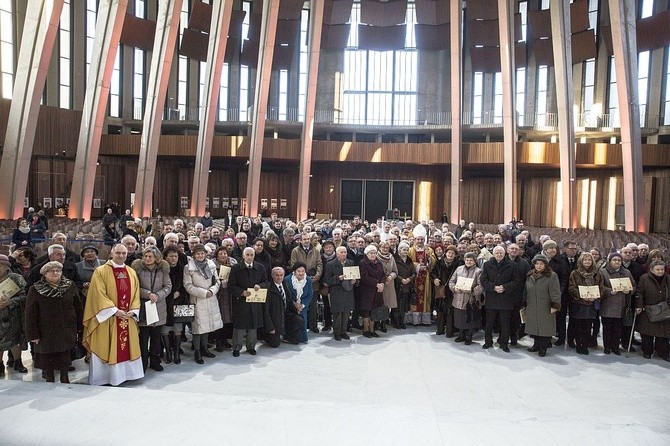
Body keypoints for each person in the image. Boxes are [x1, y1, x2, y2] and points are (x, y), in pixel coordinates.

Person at [83, 243, 144, 386]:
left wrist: (133, 311)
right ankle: (105, 377)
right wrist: (115, 311)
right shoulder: (101, 271)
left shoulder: (131, 271)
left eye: (124, 253)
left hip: (127, 317)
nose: (121, 256)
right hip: (107, 319)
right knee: (106, 345)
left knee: (126, 346)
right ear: (111, 253)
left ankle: (126, 375)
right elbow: (98, 294)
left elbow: (136, 294)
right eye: (118, 253)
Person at [24, 261, 82, 383]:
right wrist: (33, 334)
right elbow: (30, 314)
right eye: (51, 271)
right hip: (46, 330)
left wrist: (80, 327)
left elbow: (78, 307)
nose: (55, 273)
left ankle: (65, 377)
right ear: (44, 274)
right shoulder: (35, 289)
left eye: (58, 270)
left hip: (67, 328)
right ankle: (49, 378)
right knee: (48, 357)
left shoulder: (69, 285)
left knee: (65, 356)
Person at [132, 246, 171, 372]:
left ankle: (155, 361)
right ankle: (142, 363)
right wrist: (148, 294)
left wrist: (158, 295)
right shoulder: (138, 270)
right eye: (146, 256)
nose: (147, 259)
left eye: (150, 256)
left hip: (158, 306)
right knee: (143, 339)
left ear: (156, 258)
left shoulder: (162, 270)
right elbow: (135, 287)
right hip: (144, 307)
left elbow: (168, 286)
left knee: (156, 338)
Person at [183, 244, 222, 364]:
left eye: (202, 253)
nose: (200, 255)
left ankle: (205, 348)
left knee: (208, 325)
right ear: (193, 255)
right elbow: (188, 285)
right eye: (198, 253)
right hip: (198, 299)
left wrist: (212, 291)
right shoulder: (188, 267)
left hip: (211, 298)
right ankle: (197, 351)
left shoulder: (211, 264)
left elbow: (217, 281)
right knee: (197, 327)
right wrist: (204, 293)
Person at [228, 247, 267, 356]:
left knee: (253, 325)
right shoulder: (235, 268)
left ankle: (251, 346)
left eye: (252, 255)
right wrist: (242, 292)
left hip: (255, 301)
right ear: (243, 256)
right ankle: (236, 347)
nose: (249, 257)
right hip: (240, 301)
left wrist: (260, 286)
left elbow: (266, 282)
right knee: (239, 326)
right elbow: (231, 286)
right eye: (247, 255)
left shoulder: (260, 267)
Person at [481, 245, 520, 352]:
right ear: (493, 254)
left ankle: (504, 343)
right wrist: (493, 287)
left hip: (505, 298)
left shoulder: (512, 265)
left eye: (501, 253)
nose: (499, 255)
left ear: (504, 254)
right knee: (489, 323)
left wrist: (505, 287)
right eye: (497, 253)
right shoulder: (487, 264)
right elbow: (483, 280)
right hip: (492, 297)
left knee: (505, 323)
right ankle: (488, 342)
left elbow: (516, 281)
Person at [522, 254, 561, 357]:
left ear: (545, 265)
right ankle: (536, 345)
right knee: (534, 327)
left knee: (545, 328)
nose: (539, 266)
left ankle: (543, 347)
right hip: (532, 305)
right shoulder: (530, 275)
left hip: (546, 306)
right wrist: (524, 302)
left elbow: (556, 291)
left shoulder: (552, 275)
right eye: (537, 264)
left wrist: (555, 305)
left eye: (541, 264)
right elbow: (526, 290)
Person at [568, 252, 604, 355]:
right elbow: (571, 288)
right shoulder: (575, 273)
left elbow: (601, 288)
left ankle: (585, 344)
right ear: (581, 261)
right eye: (585, 260)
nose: (587, 262)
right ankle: (579, 345)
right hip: (579, 304)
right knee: (579, 326)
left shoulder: (598, 274)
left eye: (589, 260)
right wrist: (583, 296)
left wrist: (595, 296)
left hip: (592, 304)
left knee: (588, 326)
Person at [600, 252, 635, 355]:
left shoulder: (627, 272)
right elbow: (599, 286)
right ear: (609, 261)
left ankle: (615, 347)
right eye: (614, 260)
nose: (617, 262)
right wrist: (609, 291)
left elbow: (634, 286)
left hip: (621, 305)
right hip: (608, 304)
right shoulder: (603, 272)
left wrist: (629, 291)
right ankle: (607, 347)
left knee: (618, 329)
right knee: (607, 328)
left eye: (619, 260)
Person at [635, 260, 670, 361]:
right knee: (647, 333)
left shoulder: (668, 278)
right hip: (648, 309)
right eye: (657, 269)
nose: (660, 272)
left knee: (664, 333)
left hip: (665, 309)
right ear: (651, 269)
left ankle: (663, 352)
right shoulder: (644, 278)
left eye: (662, 269)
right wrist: (639, 305)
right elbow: (640, 293)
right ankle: (647, 351)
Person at [0, 255, 28, 375]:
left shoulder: (16, 278)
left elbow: (25, 295)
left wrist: (10, 302)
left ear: (6, 266)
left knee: (15, 339)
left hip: (13, 314)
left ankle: (18, 362)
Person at [448, 252, 483, 345]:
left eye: (471, 260)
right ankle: (461, 335)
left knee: (470, 319)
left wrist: (471, 290)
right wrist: (454, 288)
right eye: (467, 260)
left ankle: (469, 336)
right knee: (460, 319)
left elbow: (481, 286)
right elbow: (451, 281)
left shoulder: (478, 271)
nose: (468, 261)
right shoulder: (459, 269)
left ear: (474, 261)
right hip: (458, 298)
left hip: (471, 300)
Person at [262, 267, 302, 346]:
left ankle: (287, 337)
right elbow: (265, 310)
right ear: (272, 276)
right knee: (275, 344)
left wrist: (296, 309)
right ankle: (267, 335)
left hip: (285, 314)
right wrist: (270, 327)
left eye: (281, 275)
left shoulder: (284, 284)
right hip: (274, 318)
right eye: (277, 275)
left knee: (299, 320)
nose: (279, 277)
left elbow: (289, 300)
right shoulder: (268, 288)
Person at [324, 246, 356, 341]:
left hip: (348, 291)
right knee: (337, 313)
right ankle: (337, 332)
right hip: (337, 291)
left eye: (345, 252)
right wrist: (338, 278)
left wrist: (355, 281)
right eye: (341, 252)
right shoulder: (330, 264)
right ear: (337, 254)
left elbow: (355, 276)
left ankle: (343, 331)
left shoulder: (351, 263)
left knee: (346, 312)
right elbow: (327, 280)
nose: (344, 254)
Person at [163, 246, 187, 364]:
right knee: (165, 330)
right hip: (164, 303)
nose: (173, 258)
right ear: (166, 257)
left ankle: (177, 353)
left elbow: (186, 285)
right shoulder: (162, 269)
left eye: (175, 256)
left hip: (179, 302)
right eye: (171, 256)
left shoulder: (182, 269)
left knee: (178, 329)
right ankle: (168, 353)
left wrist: (180, 292)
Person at [431, 245, 462, 337]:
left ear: (455, 255)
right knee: (440, 310)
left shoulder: (459, 264)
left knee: (450, 311)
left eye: (453, 253)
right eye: (449, 252)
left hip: (452, 290)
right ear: (446, 253)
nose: (450, 254)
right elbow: (433, 273)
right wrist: (435, 279)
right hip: (441, 289)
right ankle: (440, 329)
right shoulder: (439, 262)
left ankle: (450, 331)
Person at [359, 245, 386, 338]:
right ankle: (365, 330)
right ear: (367, 254)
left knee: (374, 311)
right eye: (371, 253)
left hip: (377, 290)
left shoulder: (378, 263)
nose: (373, 255)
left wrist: (382, 283)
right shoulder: (363, 263)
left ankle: (372, 329)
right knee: (366, 311)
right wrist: (376, 284)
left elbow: (383, 274)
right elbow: (364, 277)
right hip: (367, 290)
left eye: (375, 253)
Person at [284, 262, 314, 344]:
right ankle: (290, 337)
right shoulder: (287, 280)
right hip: (290, 305)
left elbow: (310, 295)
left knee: (302, 316)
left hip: (302, 305)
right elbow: (287, 295)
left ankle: (302, 337)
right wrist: (294, 304)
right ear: (294, 271)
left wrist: (302, 305)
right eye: (299, 271)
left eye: (303, 271)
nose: (301, 273)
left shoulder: (308, 280)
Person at [375, 241, 398, 333]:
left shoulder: (391, 258)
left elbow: (395, 271)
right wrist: (383, 278)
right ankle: (376, 322)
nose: (385, 249)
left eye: (387, 248)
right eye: (383, 247)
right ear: (379, 248)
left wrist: (391, 276)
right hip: (379, 283)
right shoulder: (376, 257)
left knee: (387, 304)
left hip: (389, 283)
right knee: (378, 304)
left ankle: (383, 323)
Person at [394, 242, 416, 330]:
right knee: (397, 305)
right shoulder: (395, 260)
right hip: (398, 285)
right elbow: (394, 271)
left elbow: (414, 273)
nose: (406, 251)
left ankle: (402, 322)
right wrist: (401, 279)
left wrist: (409, 279)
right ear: (399, 251)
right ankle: (396, 322)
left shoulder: (410, 261)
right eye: (404, 250)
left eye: (407, 250)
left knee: (404, 306)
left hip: (407, 286)